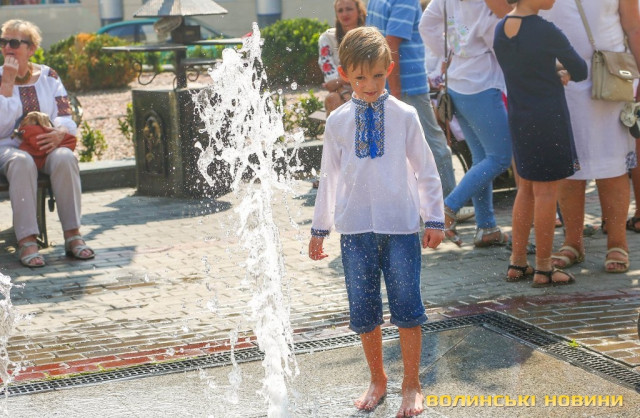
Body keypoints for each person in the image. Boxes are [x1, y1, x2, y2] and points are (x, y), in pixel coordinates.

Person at [308, 26, 444, 418]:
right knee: (364, 311)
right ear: (344, 74)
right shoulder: (337, 122)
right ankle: (377, 378)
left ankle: (412, 383)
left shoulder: (405, 116)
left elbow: (427, 170)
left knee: (408, 307)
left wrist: (434, 218)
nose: (369, 85)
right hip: (354, 231)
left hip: (400, 228)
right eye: (360, 77)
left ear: (389, 69)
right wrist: (320, 228)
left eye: (378, 75)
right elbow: (329, 178)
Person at [541, 0, 640, 273]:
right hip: (559, 77)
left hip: (610, 75)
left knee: (613, 164)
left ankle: (618, 243)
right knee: (569, 167)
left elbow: (634, 27)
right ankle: (572, 242)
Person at [493, 0, 588, 285]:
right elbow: (580, 69)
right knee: (546, 193)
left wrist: (549, 68)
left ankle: (517, 262)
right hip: (548, 118)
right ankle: (544, 268)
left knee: (525, 189)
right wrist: (560, 71)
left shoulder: (501, 28)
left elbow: (526, 66)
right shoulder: (546, 30)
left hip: (519, 116)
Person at [0, 19, 94, 267]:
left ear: (31, 48)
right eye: (3, 42)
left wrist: (59, 132)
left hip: (46, 144)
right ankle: (27, 241)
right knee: (22, 162)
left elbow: (65, 115)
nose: (7, 48)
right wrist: (7, 83)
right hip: (7, 147)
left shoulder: (49, 76)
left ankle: (73, 235)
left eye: (14, 43)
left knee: (65, 157)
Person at [420, 0, 513, 247]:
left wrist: (449, 52)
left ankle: (486, 227)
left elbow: (426, 25)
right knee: (500, 157)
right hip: (481, 84)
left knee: (481, 158)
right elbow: (499, 42)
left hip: (459, 82)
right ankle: (448, 208)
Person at [366, 0, 457, 199]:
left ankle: (404, 202)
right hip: (407, 86)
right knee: (433, 143)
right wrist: (396, 92)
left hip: (384, 84)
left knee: (394, 147)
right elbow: (390, 44)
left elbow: (373, 41)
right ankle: (450, 202)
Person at [318, 0, 367, 116]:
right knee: (332, 98)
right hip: (339, 93)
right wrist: (345, 92)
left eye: (349, 9)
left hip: (366, 88)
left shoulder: (368, 37)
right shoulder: (327, 38)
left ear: (359, 11)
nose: (344, 14)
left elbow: (369, 73)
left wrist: (341, 81)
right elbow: (330, 81)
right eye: (340, 10)